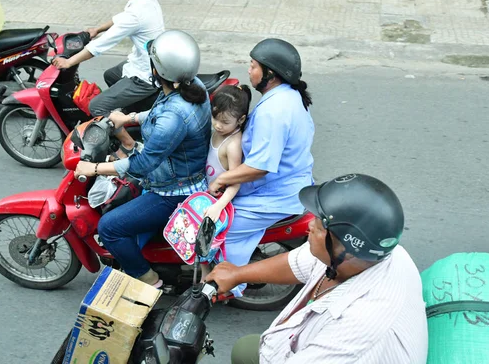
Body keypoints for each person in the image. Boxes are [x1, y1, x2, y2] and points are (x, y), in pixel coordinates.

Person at [206, 174, 429, 364]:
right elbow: (297, 262)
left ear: (348, 249)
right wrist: (237, 274)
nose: (311, 225)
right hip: (293, 345)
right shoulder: (372, 254)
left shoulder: (356, 329)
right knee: (246, 349)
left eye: (321, 224)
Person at [73, 30, 210, 288]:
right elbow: (162, 109)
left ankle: (149, 279)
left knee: (109, 227)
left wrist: (95, 168)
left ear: (158, 71)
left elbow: (142, 164)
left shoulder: (173, 119)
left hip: (172, 191)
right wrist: (129, 118)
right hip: (181, 173)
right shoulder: (193, 85)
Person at [207, 38, 314, 297]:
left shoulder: (273, 112)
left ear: (270, 74)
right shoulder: (288, 96)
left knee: (214, 229)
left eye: (253, 66)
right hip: (290, 183)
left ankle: (226, 285)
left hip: (273, 195)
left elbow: (260, 166)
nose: (249, 70)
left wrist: (222, 180)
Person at [53, 0, 164, 159]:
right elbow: (122, 18)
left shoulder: (135, 15)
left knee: (97, 107)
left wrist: (69, 63)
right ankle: (127, 117)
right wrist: (97, 29)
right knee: (110, 74)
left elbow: (100, 46)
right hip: (144, 64)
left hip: (145, 77)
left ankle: (128, 143)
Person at [199, 84, 251, 279]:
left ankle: (206, 277)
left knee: (201, 234)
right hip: (207, 193)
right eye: (215, 118)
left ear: (241, 120)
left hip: (222, 200)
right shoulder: (217, 132)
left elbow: (235, 181)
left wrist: (218, 207)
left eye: (224, 121)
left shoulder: (233, 144)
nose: (218, 125)